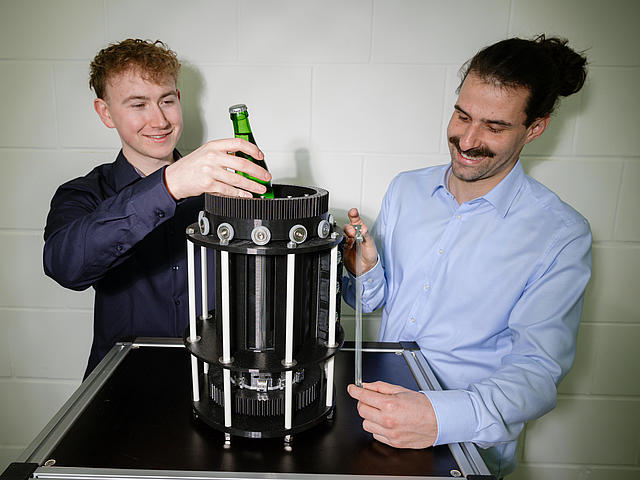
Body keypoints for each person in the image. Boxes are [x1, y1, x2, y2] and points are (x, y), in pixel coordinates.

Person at [342, 35, 592, 478]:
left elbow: (537, 371)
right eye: (462, 115)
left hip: (464, 449)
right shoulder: (406, 188)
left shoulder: (560, 234)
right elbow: (370, 302)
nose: (468, 140)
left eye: (494, 127)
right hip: (376, 422)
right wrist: (363, 271)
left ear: (535, 128)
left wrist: (438, 416)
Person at [43, 39, 271, 377]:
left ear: (178, 100)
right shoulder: (83, 193)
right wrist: (169, 185)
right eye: (138, 104)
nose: (159, 119)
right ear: (105, 112)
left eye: (166, 100)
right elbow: (64, 265)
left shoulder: (227, 188)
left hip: (219, 384)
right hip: (124, 388)